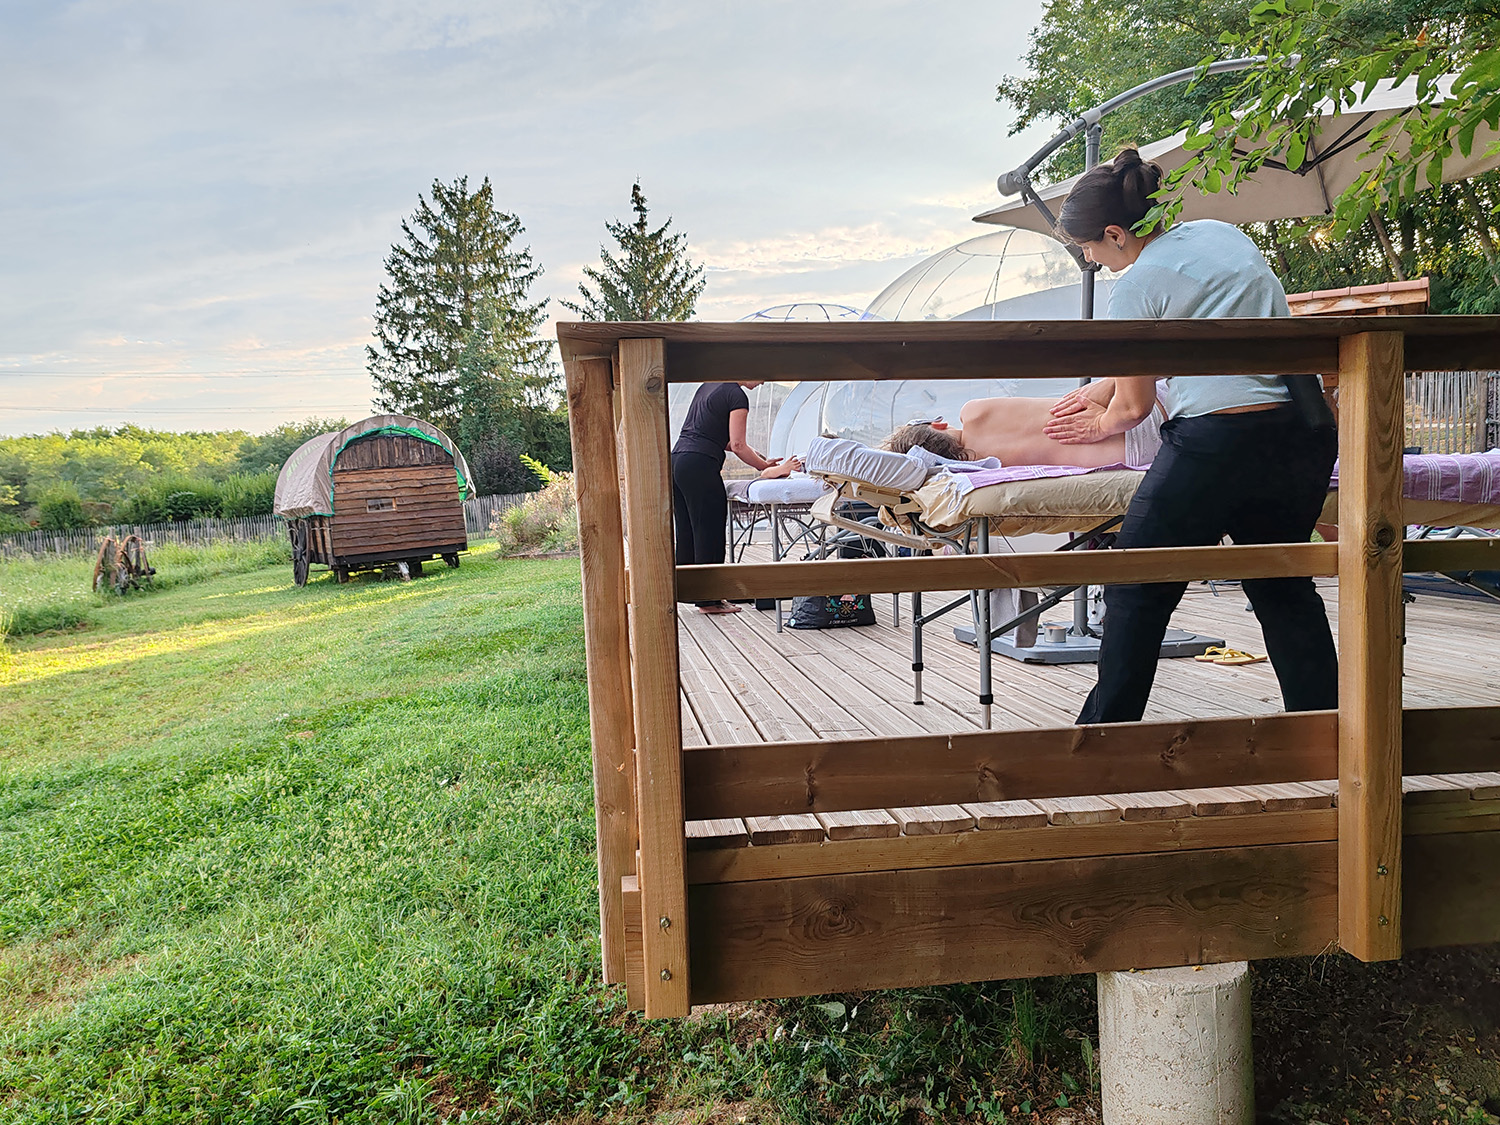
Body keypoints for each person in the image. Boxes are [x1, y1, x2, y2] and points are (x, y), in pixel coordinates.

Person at [1039, 148, 1337, 724]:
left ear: (1115, 234)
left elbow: (1134, 409)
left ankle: (1103, 739)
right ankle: (1323, 727)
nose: (1090, 259)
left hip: (1217, 443)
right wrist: (1107, 385)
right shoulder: (1218, 234)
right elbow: (1210, 337)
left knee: (1135, 589)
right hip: (1299, 433)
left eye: (1088, 248)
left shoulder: (1133, 288)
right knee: (1281, 588)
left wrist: (1098, 421)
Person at [672, 380, 783, 614]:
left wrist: (761, 459)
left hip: (678, 461)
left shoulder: (709, 386)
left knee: (687, 529)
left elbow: (723, 439)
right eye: (762, 374)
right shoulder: (736, 395)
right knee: (709, 528)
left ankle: (686, 590)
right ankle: (709, 600)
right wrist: (763, 467)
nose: (763, 381)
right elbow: (738, 444)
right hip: (700, 464)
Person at [883, 390, 1164, 468]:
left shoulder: (984, 468)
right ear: (938, 424)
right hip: (1141, 410)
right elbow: (1070, 402)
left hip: (1136, 454)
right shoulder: (974, 411)